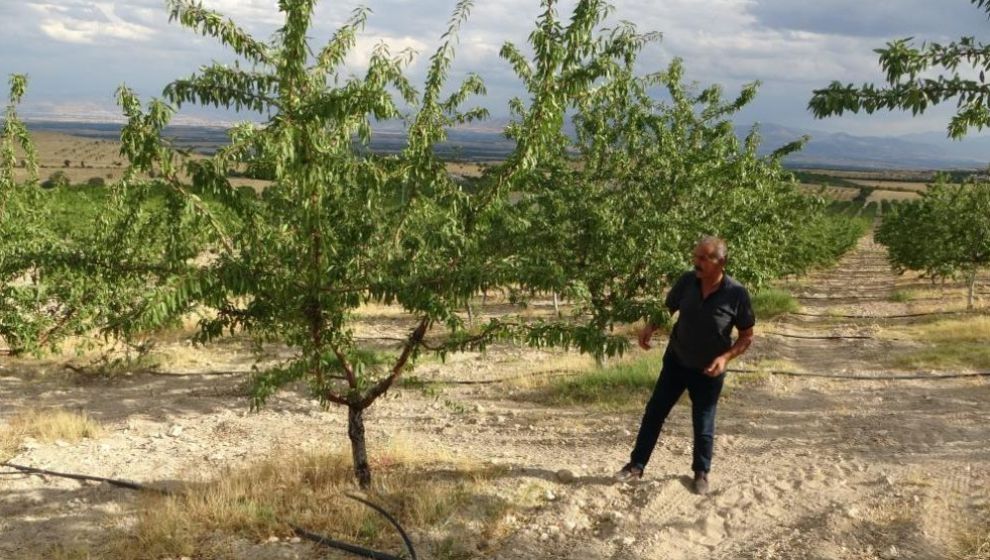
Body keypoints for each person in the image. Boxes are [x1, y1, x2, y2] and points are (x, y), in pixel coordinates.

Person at [616, 235, 755, 495]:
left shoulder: (736, 294)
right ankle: (636, 465)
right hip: (677, 361)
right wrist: (650, 327)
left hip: (708, 370)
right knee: (654, 412)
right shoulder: (687, 282)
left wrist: (725, 358)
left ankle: (701, 473)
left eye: (704, 258)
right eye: (695, 256)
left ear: (721, 262)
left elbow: (747, 336)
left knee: (703, 422)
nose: (696, 262)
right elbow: (667, 309)